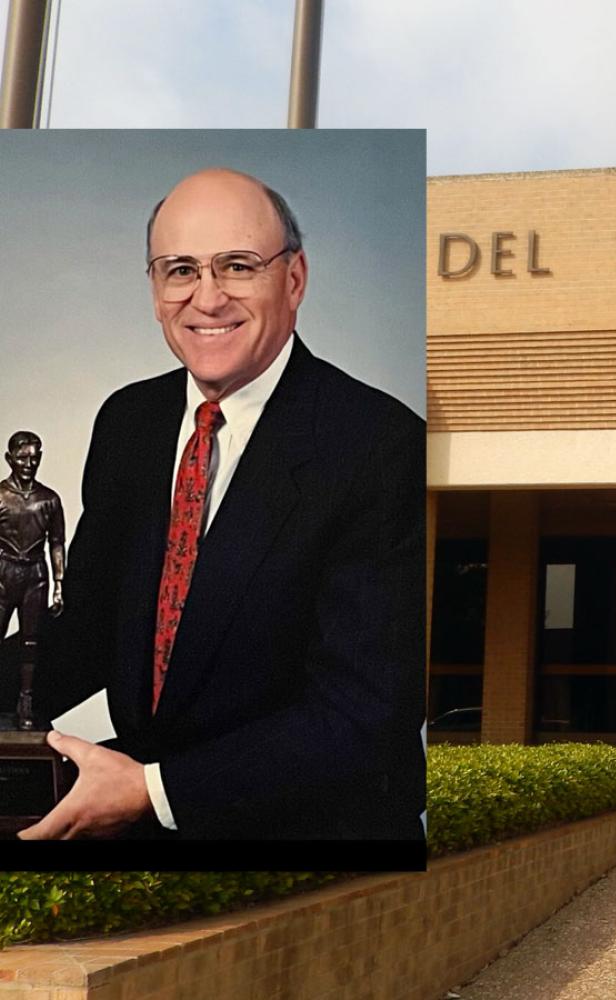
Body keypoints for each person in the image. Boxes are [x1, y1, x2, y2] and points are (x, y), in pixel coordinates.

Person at [20, 168, 424, 841]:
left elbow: (364, 712)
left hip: (315, 835)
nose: (207, 299)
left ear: (293, 279)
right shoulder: (130, 421)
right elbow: (88, 628)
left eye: (237, 266)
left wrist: (151, 789)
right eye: (180, 270)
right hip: (141, 823)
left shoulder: (383, 446)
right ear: (154, 289)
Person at [0, 430, 66, 729]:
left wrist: (59, 584)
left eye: (35, 456)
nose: (30, 462)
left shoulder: (48, 499)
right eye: (23, 457)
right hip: (3, 573)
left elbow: (57, 542)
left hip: (35, 576)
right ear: (9, 459)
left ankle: (25, 700)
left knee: (30, 642)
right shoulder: (0, 496)